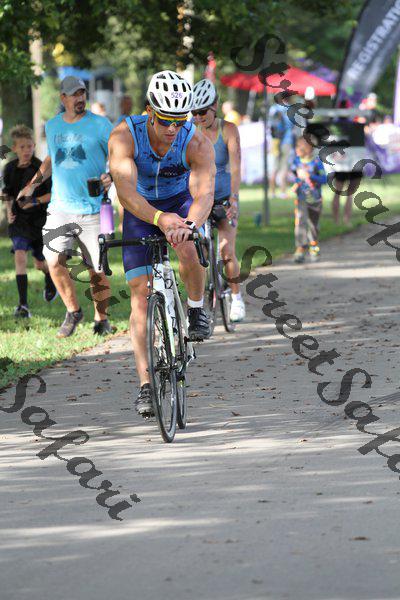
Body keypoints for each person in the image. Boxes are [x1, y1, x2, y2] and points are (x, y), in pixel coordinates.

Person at [108, 70, 215, 417]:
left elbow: (204, 193)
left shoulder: (196, 141)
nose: (172, 128)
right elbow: (125, 192)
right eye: (165, 120)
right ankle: (145, 384)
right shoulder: (125, 136)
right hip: (140, 208)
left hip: (180, 203)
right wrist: (158, 218)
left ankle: (196, 308)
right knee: (140, 296)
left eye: (179, 121)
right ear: (149, 111)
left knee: (188, 247)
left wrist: (189, 224)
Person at [18, 76, 114, 338]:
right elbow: (51, 159)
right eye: (74, 94)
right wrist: (31, 186)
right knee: (53, 260)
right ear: (63, 98)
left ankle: (101, 318)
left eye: (82, 93)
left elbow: (117, 156)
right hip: (60, 208)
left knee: (97, 269)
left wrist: (111, 175)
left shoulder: (101, 125)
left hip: (93, 209)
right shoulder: (53, 126)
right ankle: (73, 311)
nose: (79, 98)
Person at [192, 78, 245, 322]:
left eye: (202, 112)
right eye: (194, 112)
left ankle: (236, 297)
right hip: (201, 199)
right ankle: (200, 302)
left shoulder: (228, 129)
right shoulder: (191, 131)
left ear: (215, 106)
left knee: (226, 251)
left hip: (224, 197)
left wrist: (234, 198)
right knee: (198, 253)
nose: (198, 117)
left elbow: (235, 167)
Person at [3, 124, 57, 318]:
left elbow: (52, 194)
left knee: (40, 264)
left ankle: (50, 279)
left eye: (29, 146)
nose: (27, 150)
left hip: (38, 222)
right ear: (14, 148)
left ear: (34, 145)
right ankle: (23, 305)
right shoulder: (9, 168)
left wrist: (34, 201)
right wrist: (9, 210)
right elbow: (7, 193)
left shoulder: (40, 168)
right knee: (19, 256)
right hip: (19, 223)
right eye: (22, 147)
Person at [291, 137, 326, 263]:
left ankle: (313, 244)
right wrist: (297, 182)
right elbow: (295, 176)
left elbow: (324, 179)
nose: (296, 149)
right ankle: (300, 248)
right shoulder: (296, 161)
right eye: (296, 146)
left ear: (309, 148)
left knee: (313, 223)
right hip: (301, 198)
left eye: (299, 146)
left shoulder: (316, 162)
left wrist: (310, 176)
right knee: (300, 221)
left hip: (315, 199)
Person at [268, 102, 294, 198]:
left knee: (274, 168)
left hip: (275, 141)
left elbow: (270, 126)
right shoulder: (289, 108)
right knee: (284, 167)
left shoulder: (273, 108)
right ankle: (283, 192)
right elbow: (292, 125)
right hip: (286, 141)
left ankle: (272, 192)